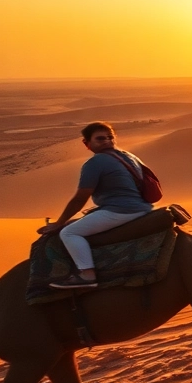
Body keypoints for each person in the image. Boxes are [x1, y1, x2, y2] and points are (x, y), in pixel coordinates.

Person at [38, 122, 156, 289]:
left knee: (69, 232)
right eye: (101, 139)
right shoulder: (128, 156)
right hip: (141, 208)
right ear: (87, 143)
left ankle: (87, 275)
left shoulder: (96, 163)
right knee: (75, 223)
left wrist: (59, 223)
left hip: (121, 211)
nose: (107, 141)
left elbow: (80, 199)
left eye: (110, 137)